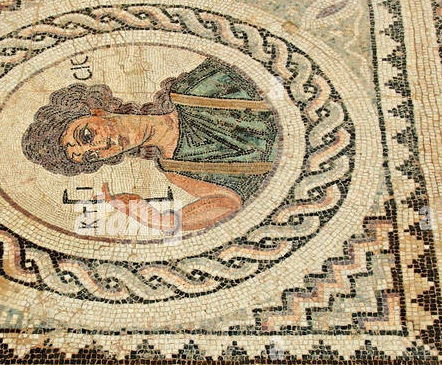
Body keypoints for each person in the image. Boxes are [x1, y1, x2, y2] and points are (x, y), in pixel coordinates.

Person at [20, 57, 278, 234]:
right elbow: (228, 201)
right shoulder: (175, 168)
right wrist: (159, 220)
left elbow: (255, 71)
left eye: (86, 136)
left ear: (94, 109)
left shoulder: (189, 90)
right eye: (91, 157)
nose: (98, 149)